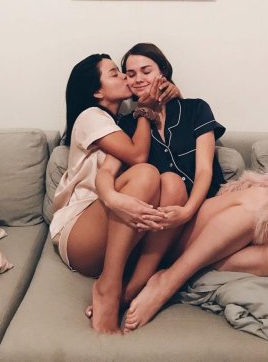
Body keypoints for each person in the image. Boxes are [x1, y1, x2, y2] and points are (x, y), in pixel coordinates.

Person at [94, 43, 268, 331]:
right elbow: (107, 172)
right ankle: (163, 283)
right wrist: (111, 198)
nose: (138, 79)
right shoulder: (128, 124)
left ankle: (178, 271)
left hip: (203, 213)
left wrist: (187, 211)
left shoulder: (194, 109)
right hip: (161, 229)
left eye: (146, 70)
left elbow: (205, 169)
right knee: (256, 202)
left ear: (163, 73)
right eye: (130, 74)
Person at [50, 53, 181, 334]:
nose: (124, 77)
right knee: (146, 173)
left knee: (172, 182)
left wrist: (169, 96)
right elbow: (137, 155)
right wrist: (144, 109)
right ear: (97, 91)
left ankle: (130, 290)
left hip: (112, 235)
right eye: (115, 73)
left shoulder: (121, 123)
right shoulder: (90, 116)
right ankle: (108, 288)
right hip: (79, 234)